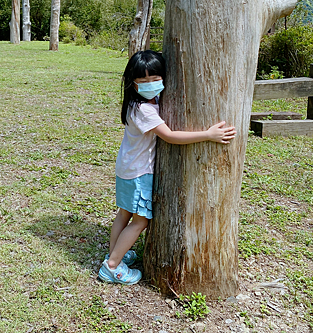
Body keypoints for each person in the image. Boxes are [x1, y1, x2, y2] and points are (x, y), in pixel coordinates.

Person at [99, 50, 237, 285]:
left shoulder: (137, 102)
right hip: (139, 171)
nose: (150, 85)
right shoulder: (143, 109)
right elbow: (170, 136)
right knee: (141, 220)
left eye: (155, 79)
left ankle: (115, 254)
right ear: (132, 83)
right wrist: (208, 134)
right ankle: (112, 266)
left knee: (124, 213)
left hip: (126, 167)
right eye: (142, 81)